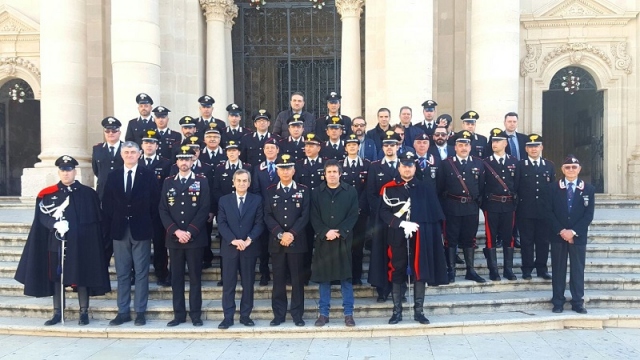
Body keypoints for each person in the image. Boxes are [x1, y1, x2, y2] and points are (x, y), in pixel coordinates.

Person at [15, 155, 111, 326]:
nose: (66, 174)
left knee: (82, 277)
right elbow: (41, 217)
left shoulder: (88, 194)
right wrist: (54, 224)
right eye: (62, 170)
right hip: (56, 244)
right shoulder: (48, 194)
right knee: (56, 279)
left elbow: (97, 222)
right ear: (59, 172)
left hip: (81, 244)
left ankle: (84, 312)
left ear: (75, 171)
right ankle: (57, 312)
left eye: (69, 170)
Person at [379, 152, 447, 325]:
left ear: (415, 168)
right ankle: (397, 312)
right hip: (397, 235)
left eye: (410, 166)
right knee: (397, 270)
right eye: (404, 165)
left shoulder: (425, 188)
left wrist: (421, 227)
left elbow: (433, 214)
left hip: (419, 236)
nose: (407, 169)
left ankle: (419, 311)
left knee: (419, 271)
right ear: (399, 167)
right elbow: (383, 212)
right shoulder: (389, 188)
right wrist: (401, 224)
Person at [102, 141, 160, 326]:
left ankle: (140, 311)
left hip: (141, 229)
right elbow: (108, 204)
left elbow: (155, 203)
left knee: (142, 272)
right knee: (123, 273)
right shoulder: (113, 176)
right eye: (126, 152)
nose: (129, 155)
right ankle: (123, 311)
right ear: (121, 155)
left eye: (133, 152)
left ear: (139, 154)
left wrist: (149, 225)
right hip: (119, 230)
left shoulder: (149, 175)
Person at [159, 146, 210, 327]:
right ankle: (178, 314)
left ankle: (196, 314)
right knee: (176, 279)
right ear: (177, 162)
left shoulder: (201, 180)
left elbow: (204, 208)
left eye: (187, 159)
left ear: (192, 161)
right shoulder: (168, 181)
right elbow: (163, 209)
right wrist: (176, 231)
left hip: (195, 238)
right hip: (174, 239)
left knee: (195, 278)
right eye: (181, 159)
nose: (184, 162)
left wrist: (190, 231)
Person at [310, 159, 359, 327]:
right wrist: (325, 232)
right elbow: (313, 215)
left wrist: (340, 232)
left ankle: (348, 314)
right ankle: (323, 314)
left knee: (346, 279)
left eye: (334, 172)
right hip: (324, 241)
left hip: (343, 240)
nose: (331, 175)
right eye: (328, 172)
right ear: (324, 174)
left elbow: (353, 214)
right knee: (324, 279)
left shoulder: (350, 191)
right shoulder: (316, 192)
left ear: (340, 174)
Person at [263, 154, 310, 327]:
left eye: (288, 168)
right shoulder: (270, 191)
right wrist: (280, 234)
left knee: (297, 281)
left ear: (293, 170)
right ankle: (279, 314)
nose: (285, 171)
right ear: (277, 170)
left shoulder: (303, 190)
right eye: (282, 168)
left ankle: (297, 314)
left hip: (296, 242)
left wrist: (291, 234)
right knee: (278, 280)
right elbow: (267, 215)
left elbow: (305, 215)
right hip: (277, 243)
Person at [547, 155, 595, 314]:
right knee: (558, 269)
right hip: (558, 235)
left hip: (578, 237)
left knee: (577, 270)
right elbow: (548, 212)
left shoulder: (588, 189)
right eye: (567, 167)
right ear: (562, 169)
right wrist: (562, 231)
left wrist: (573, 232)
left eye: (574, 167)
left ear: (579, 169)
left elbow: (588, 215)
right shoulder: (553, 188)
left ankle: (577, 302)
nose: (571, 170)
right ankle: (558, 301)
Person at [217, 169, 264, 329]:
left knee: (248, 284)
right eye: (239, 180)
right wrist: (234, 240)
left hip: (249, 248)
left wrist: (249, 239)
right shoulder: (224, 200)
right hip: (230, 248)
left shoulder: (257, 200)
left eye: (245, 181)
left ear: (249, 183)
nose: (242, 183)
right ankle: (228, 317)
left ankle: (245, 316)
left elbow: (259, 223)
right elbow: (221, 223)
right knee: (228, 284)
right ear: (233, 182)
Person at [437, 130, 486, 283]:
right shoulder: (446, 164)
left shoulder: (478, 163)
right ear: (455, 147)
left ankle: (470, 271)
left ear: (470, 147)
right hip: (452, 207)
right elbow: (439, 187)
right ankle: (450, 270)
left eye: (466, 144)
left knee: (469, 239)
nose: (464, 148)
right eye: (460, 145)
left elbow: (482, 186)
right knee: (450, 239)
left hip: (471, 208)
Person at [367, 131, 401, 302]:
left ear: (397, 146)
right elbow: (371, 193)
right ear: (382, 147)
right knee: (380, 255)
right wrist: (381, 213)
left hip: (401, 220)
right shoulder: (375, 166)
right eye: (386, 145)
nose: (389, 147)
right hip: (381, 220)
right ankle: (382, 289)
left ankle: (399, 289)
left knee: (400, 255)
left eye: (392, 145)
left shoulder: (405, 165)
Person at [482, 128, 520, 281]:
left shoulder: (514, 161)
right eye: (493, 141)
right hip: (492, 204)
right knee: (490, 237)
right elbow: (481, 185)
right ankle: (494, 270)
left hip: (509, 205)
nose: (494, 143)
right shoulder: (485, 163)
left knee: (508, 237)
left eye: (498, 141)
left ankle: (508, 270)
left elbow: (517, 183)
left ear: (505, 143)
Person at [517, 134, 555, 280]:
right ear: (526, 148)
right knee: (526, 241)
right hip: (525, 210)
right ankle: (527, 269)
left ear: (541, 147)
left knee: (543, 241)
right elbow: (516, 187)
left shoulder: (549, 165)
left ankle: (542, 268)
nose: (534, 149)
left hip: (544, 211)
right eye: (531, 146)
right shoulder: (521, 165)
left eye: (536, 146)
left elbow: (552, 189)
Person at [138, 130, 171, 287]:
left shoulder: (165, 163)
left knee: (160, 244)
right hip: (139, 211)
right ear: (142, 145)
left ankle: (162, 273)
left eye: (152, 143)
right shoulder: (135, 162)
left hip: (157, 210)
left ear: (157, 145)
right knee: (137, 244)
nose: (149, 145)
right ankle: (136, 274)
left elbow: (167, 188)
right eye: (146, 142)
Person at [340, 134, 371, 285]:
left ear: (359, 147)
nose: (352, 147)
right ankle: (343, 275)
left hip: (360, 212)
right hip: (343, 213)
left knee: (357, 246)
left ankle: (357, 276)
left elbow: (367, 189)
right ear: (345, 148)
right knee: (342, 245)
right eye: (349, 145)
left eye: (355, 145)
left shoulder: (367, 164)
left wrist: (359, 206)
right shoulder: (339, 165)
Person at [251, 137, 280, 285]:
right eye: (267, 148)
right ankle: (264, 273)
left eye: (272, 148)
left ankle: (279, 273)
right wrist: (264, 207)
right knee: (263, 246)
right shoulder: (258, 168)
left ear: (277, 150)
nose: (270, 150)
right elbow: (255, 190)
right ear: (263, 150)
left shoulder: (283, 166)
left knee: (277, 245)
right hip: (263, 212)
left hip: (280, 213)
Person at [92, 116, 124, 200]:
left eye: (114, 131)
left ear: (119, 133)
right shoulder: (97, 149)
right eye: (107, 131)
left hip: (122, 190)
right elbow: (96, 170)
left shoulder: (127, 148)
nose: (110, 133)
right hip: (103, 190)